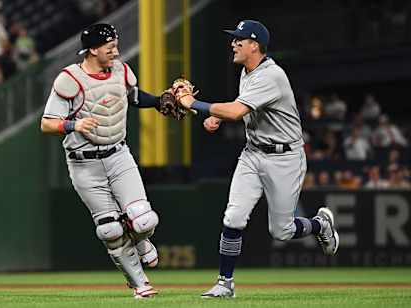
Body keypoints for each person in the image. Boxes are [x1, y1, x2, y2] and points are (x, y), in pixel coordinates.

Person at [176, 20, 339, 298]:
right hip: (253, 154)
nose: (233, 43)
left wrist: (194, 104)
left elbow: (237, 111)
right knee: (234, 216)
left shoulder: (271, 75)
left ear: (254, 45)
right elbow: (245, 108)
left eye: (239, 39)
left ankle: (319, 224)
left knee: (282, 231)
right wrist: (218, 114)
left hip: (284, 157)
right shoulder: (248, 71)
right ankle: (224, 283)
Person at [40, 23, 169, 298]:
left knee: (143, 220)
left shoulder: (122, 71)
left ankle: (142, 240)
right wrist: (74, 125)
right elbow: (47, 124)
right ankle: (140, 284)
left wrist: (159, 101)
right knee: (110, 229)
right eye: (110, 47)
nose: (116, 51)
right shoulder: (70, 79)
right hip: (84, 163)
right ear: (93, 49)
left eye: (115, 46)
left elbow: (133, 97)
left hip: (118, 155)